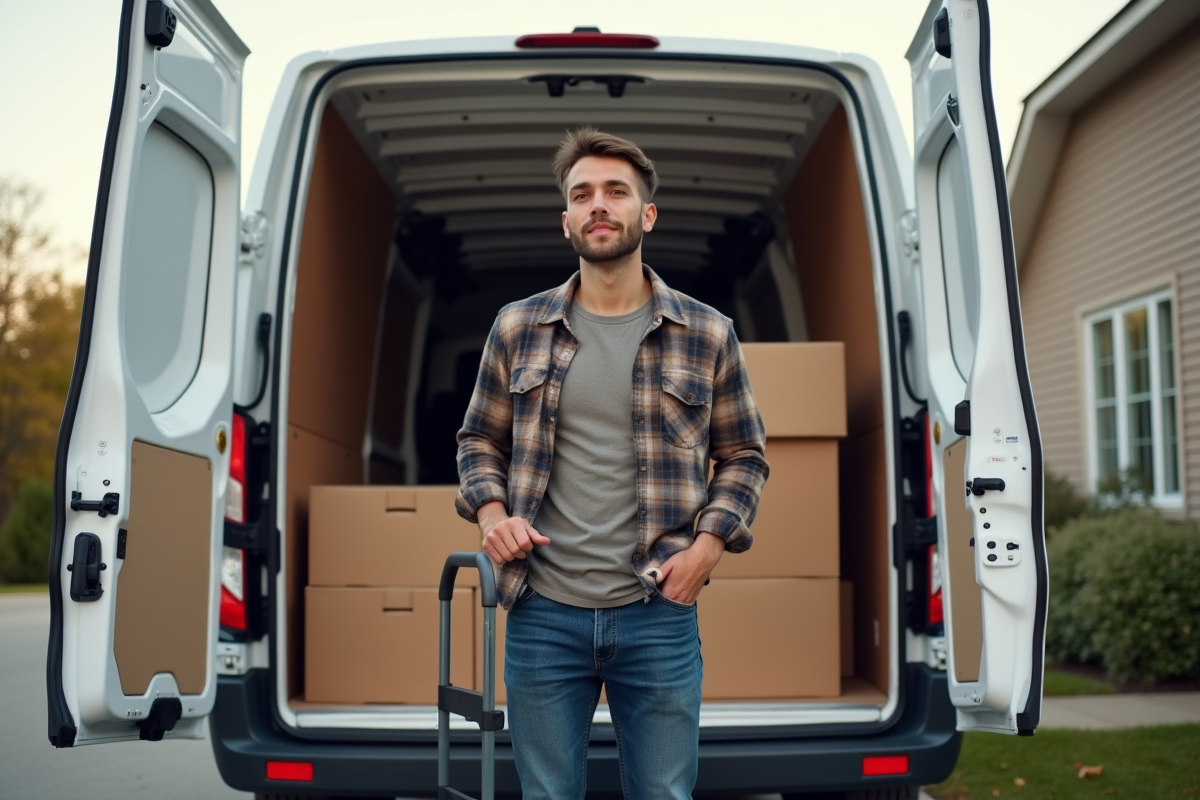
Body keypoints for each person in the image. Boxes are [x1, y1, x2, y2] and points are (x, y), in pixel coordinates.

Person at [454, 127, 769, 800]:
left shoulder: (707, 331)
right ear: (566, 221)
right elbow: (478, 438)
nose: (599, 205)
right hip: (542, 612)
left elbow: (743, 455)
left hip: (657, 612)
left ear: (646, 214)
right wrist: (492, 512)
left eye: (616, 191)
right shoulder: (517, 327)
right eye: (582, 194)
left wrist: (708, 548)